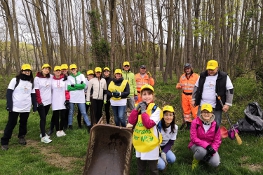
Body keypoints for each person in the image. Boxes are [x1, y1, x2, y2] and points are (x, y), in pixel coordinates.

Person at [128, 84, 162, 175]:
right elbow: (131, 121)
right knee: (140, 169)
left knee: (153, 169)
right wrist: (135, 109)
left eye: (149, 94)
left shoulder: (156, 110)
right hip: (140, 142)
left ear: (153, 95)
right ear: (141, 96)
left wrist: (143, 112)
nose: (147, 97)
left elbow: (148, 124)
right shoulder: (139, 107)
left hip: (151, 143)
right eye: (144, 94)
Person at [1, 64, 37, 150]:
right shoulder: (15, 80)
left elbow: (33, 94)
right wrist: (9, 105)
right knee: (11, 123)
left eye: (28, 71)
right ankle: (4, 142)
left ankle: (21, 137)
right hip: (15, 107)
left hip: (26, 107)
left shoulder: (31, 82)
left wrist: (35, 105)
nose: (27, 72)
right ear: (21, 71)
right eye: (25, 71)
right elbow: (9, 93)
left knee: (23, 123)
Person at [192, 60, 234, 126]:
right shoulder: (202, 76)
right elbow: (196, 87)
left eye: (212, 69)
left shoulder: (224, 77)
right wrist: (194, 99)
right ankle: (200, 135)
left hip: (216, 105)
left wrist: (228, 104)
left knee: (216, 124)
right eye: (209, 69)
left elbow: (230, 90)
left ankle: (215, 135)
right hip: (203, 104)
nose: (210, 71)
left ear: (217, 68)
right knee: (199, 123)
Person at [188, 103, 221, 170]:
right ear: (201, 113)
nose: (206, 114)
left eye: (208, 112)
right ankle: (195, 161)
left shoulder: (216, 125)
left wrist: (212, 150)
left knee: (215, 163)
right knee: (201, 151)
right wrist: (207, 146)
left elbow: (217, 141)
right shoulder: (195, 122)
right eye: (204, 112)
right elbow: (193, 138)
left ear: (212, 113)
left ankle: (204, 158)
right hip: (196, 145)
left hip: (210, 147)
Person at [67, 64, 91, 131]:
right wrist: (78, 86)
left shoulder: (81, 76)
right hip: (72, 97)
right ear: (70, 70)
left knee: (83, 112)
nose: (73, 70)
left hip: (80, 98)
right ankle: (70, 125)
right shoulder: (69, 77)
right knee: (71, 112)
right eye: (72, 69)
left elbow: (83, 86)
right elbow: (68, 87)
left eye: (74, 68)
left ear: (76, 69)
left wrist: (74, 86)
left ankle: (89, 125)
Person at [176, 63, 199, 129]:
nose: (187, 70)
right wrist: (178, 86)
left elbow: (200, 85)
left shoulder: (196, 76)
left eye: (188, 68)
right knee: (186, 111)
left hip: (193, 96)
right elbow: (180, 84)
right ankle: (189, 124)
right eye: (186, 68)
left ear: (191, 68)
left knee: (195, 112)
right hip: (184, 95)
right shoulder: (182, 77)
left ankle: (196, 125)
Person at [48, 63, 69, 134]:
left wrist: (67, 99)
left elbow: (67, 90)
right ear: (53, 72)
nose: (58, 72)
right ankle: (57, 130)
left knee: (63, 116)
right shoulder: (51, 80)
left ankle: (61, 129)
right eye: (56, 71)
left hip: (62, 100)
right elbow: (49, 91)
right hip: (55, 100)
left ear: (61, 71)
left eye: (59, 70)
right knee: (56, 116)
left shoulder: (64, 79)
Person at [35, 64, 53, 143]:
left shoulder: (50, 77)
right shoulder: (37, 78)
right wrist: (39, 101)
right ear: (42, 69)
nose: (46, 70)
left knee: (44, 117)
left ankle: (42, 132)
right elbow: (36, 90)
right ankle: (43, 137)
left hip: (48, 101)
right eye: (45, 69)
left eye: (48, 69)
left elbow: (58, 76)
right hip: (41, 102)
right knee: (43, 118)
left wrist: (65, 76)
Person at [157, 105, 178, 170]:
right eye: (166, 115)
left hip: (164, 147)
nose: (168, 117)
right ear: (162, 116)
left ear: (173, 116)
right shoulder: (157, 126)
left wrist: (164, 151)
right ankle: (151, 160)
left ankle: (161, 156)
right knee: (161, 166)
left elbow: (171, 142)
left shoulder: (175, 127)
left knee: (172, 159)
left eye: (170, 115)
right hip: (154, 148)